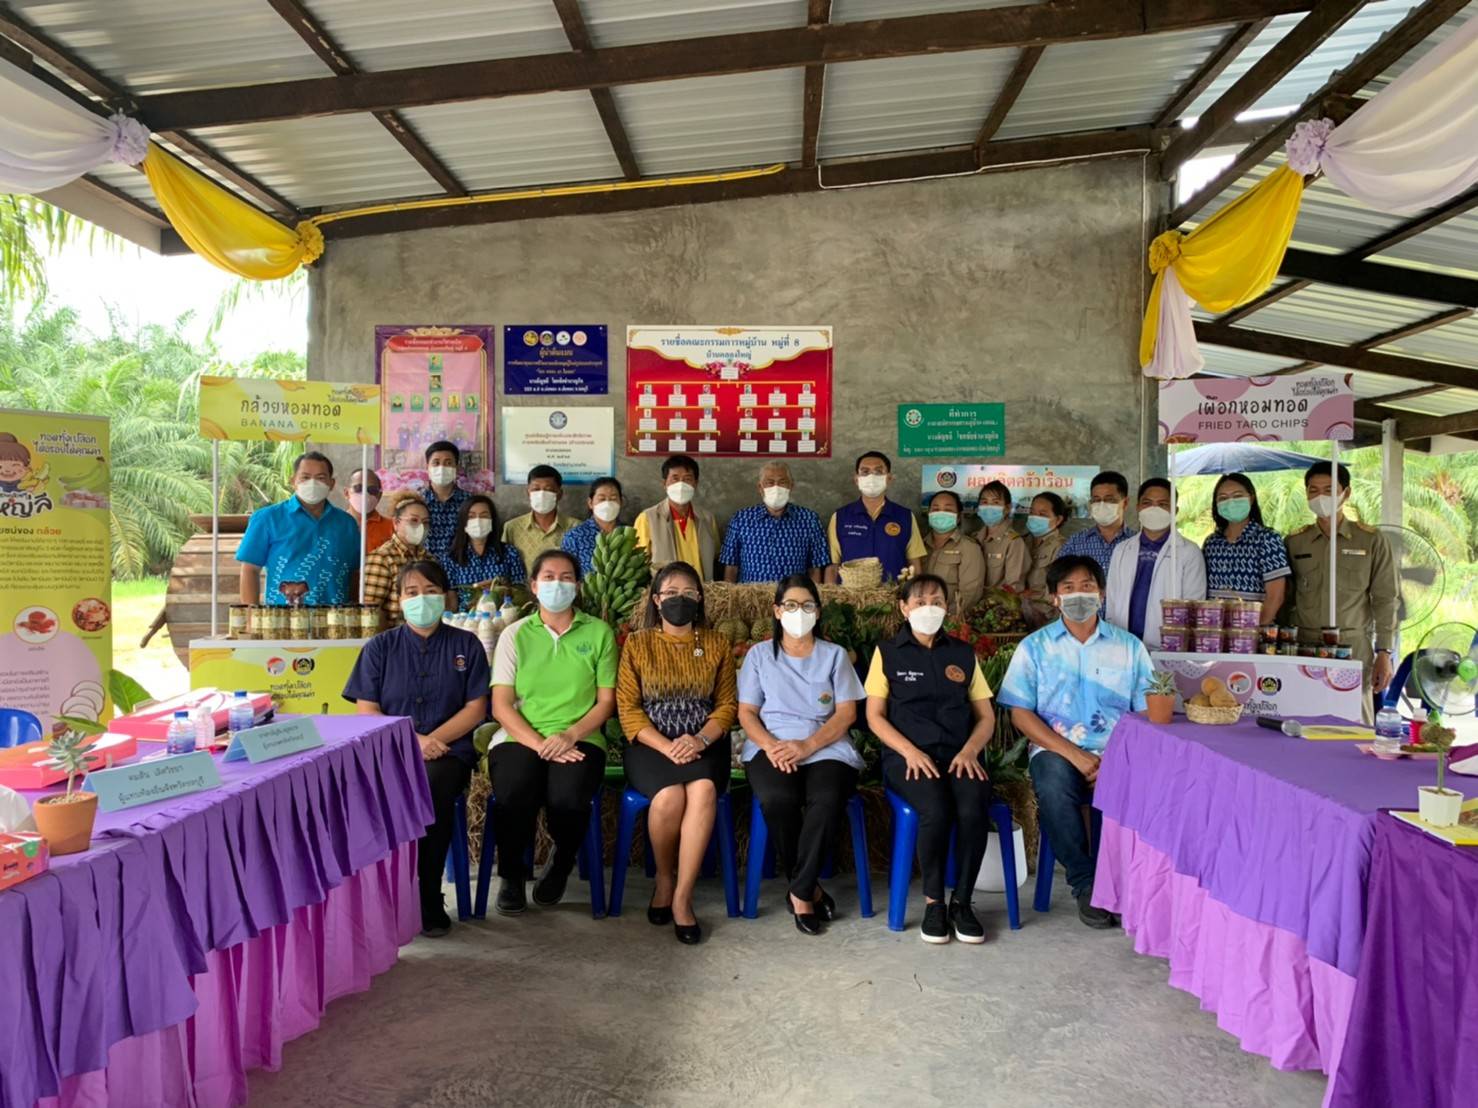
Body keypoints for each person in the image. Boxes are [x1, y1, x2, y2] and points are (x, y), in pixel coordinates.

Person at [997, 555, 1153, 929]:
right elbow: (1020, 713)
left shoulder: (1129, 647)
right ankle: (1087, 883)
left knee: (1120, 785)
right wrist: (1077, 756)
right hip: (1055, 749)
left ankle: (1111, 883)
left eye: (1086, 587)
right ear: (1054, 598)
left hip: (1117, 750)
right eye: (1068, 588)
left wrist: (1114, 759)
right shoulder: (1035, 648)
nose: (1078, 594)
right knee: (1052, 783)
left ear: (1101, 594)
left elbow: (1147, 712)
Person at [344, 560, 489, 937]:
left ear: (445, 596)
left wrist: (435, 741)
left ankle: (426, 893)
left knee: (432, 786)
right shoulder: (380, 647)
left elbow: (476, 707)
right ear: (399, 599)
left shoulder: (466, 645)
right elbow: (367, 711)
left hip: (448, 754)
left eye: (430, 591)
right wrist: (415, 741)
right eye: (412, 592)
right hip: (391, 750)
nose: (421, 599)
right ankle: (382, 897)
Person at [865, 574, 996, 945]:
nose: (928, 609)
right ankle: (934, 902)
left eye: (936, 601)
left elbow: (986, 716)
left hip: (959, 756)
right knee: (935, 810)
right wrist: (908, 750)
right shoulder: (887, 653)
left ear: (948, 607)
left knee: (973, 807)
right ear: (903, 608)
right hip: (907, 758)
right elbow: (874, 716)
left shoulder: (963, 654)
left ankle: (963, 903)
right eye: (919, 602)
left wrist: (970, 750)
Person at [488, 550, 617, 915]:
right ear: (533, 585)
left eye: (565, 577)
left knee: (569, 796)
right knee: (514, 791)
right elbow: (501, 705)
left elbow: (606, 703)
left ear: (577, 586)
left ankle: (562, 862)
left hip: (581, 737)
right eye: (548, 577)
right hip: (520, 736)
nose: (556, 584)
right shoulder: (515, 634)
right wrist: (542, 744)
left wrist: (570, 736)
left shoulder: (598, 632)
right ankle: (512, 874)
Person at [616, 561, 738, 944]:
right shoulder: (638, 643)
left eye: (688, 594)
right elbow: (628, 708)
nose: (679, 600)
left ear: (700, 599)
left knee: (702, 790)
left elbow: (727, 705)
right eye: (670, 594)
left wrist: (699, 739)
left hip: (704, 742)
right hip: (651, 744)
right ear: (656, 599)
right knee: (668, 797)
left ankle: (683, 897)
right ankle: (664, 878)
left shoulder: (716, 643)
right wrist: (666, 744)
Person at [737, 575, 866, 934]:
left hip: (827, 745)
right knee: (778, 799)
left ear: (818, 611)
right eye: (790, 605)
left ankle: (800, 891)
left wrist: (808, 745)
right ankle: (807, 885)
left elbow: (846, 713)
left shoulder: (835, 655)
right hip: (772, 744)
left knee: (826, 800)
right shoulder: (759, 655)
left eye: (807, 605)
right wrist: (771, 746)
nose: (799, 612)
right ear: (777, 611)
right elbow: (747, 712)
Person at [1284, 460, 1398, 721]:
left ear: (1346, 493)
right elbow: (1286, 597)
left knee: (1356, 723)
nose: (1320, 496)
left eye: (1328, 489)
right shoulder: (1294, 541)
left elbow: (1385, 598)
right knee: (1303, 720)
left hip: (1352, 647)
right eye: (1313, 490)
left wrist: (1384, 652)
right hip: (1305, 645)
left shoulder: (1370, 540)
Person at [237, 451, 360, 606]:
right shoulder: (267, 519)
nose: (313, 483)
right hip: (282, 620)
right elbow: (250, 569)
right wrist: (250, 617)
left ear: (332, 483)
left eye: (321, 478)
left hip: (335, 621)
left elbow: (354, 571)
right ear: (293, 481)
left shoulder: (346, 523)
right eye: (305, 477)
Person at [1105, 478, 1206, 650]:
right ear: (1137, 507)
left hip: (1167, 649)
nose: (1154, 509)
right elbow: (1112, 603)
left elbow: (1194, 607)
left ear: (1175, 511)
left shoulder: (1188, 552)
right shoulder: (1121, 550)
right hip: (1123, 646)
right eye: (1147, 503)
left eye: (1162, 504)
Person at [1202, 472, 1290, 625]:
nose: (1231, 502)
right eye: (1223, 498)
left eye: (1237, 496)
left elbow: (1276, 596)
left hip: (1253, 634)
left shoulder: (1267, 539)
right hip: (1215, 634)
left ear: (1251, 498)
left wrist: (1255, 630)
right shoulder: (1211, 543)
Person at [720, 462, 830, 584]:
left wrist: (812, 600)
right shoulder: (741, 519)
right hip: (750, 598)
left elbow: (815, 568)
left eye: (782, 482)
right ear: (760, 488)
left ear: (791, 486)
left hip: (793, 600)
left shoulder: (809, 519)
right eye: (769, 482)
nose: (776, 487)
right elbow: (731, 567)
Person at [825, 451, 926, 583]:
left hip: (894, 597)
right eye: (865, 472)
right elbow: (832, 567)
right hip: (849, 600)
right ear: (856, 479)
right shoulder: (840, 517)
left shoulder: (905, 516)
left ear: (889, 478)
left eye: (878, 472)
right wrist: (830, 601)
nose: (871, 477)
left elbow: (915, 566)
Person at [634, 455, 721, 582]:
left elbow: (715, 556)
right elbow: (638, 564)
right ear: (664, 484)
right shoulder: (647, 518)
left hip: (701, 591)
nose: (681, 484)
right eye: (675, 479)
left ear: (696, 484)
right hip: (666, 594)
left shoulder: (707, 518)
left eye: (687, 479)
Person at [363, 494, 433, 626]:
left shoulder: (429, 559)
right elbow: (371, 610)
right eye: (413, 520)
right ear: (396, 523)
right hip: (394, 637)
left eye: (425, 522)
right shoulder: (382, 558)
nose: (421, 527)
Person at [445, 494, 526, 597]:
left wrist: (500, 587)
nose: (478, 521)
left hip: (503, 611)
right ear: (463, 522)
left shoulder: (510, 553)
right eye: (471, 517)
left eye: (484, 516)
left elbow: (522, 592)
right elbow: (450, 600)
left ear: (492, 520)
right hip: (465, 613)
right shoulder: (451, 558)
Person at [502, 464, 580, 570]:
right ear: (528, 493)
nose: (542, 494)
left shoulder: (576, 527)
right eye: (536, 489)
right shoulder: (512, 528)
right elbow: (505, 567)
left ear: (560, 494)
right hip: (524, 587)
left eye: (549, 490)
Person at [1060, 470, 1136, 579]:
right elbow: (1059, 579)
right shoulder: (1075, 543)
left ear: (1125, 503)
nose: (1102, 504)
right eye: (1096, 500)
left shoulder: (1137, 542)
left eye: (1109, 500)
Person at [921, 490, 986, 615]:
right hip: (919, 618)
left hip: (951, 621)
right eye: (935, 509)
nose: (941, 513)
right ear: (928, 513)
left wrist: (944, 615)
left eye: (948, 510)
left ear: (959, 517)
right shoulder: (919, 546)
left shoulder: (969, 548)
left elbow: (971, 593)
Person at [561, 476, 626, 577]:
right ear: (590, 503)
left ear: (621, 502)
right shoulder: (575, 536)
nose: (608, 504)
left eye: (613, 499)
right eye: (602, 499)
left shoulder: (628, 534)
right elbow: (565, 572)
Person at [421, 440, 470, 562]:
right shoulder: (417, 501)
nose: (442, 468)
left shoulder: (469, 502)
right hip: (425, 568)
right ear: (427, 467)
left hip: (460, 569)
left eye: (448, 463)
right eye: (436, 463)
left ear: (457, 467)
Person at [975, 480, 1028, 592]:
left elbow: (1013, 588)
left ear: (1007, 509)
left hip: (997, 606)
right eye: (984, 502)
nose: (989, 506)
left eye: (995, 503)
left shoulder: (1013, 542)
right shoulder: (974, 538)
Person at [1023, 491, 1068, 598]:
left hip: (1046, 610)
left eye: (1042, 514)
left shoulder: (1063, 547)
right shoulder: (1022, 541)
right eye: (1032, 512)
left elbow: (1061, 587)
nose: (1034, 517)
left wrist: (1033, 596)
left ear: (1058, 519)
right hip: (1017, 608)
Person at [344, 467, 394, 555]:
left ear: (379, 496)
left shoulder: (392, 528)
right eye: (358, 488)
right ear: (346, 493)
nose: (365, 494)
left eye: (372, 490)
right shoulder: (335, 525)